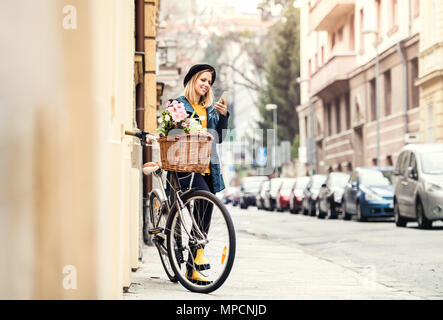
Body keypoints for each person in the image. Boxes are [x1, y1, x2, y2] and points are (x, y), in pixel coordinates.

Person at [167, 64, 229, 284]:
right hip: (186, 168)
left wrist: (223, 117)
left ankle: (193, 266)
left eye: (209, 82)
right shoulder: (178, 105)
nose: (206, 84)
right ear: (193, 79)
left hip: (209, 168)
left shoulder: (210, 109)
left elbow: (219, 138)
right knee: (202, 197)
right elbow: (170, 133)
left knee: (204, 215)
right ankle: (189, 254)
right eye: (203, 79)